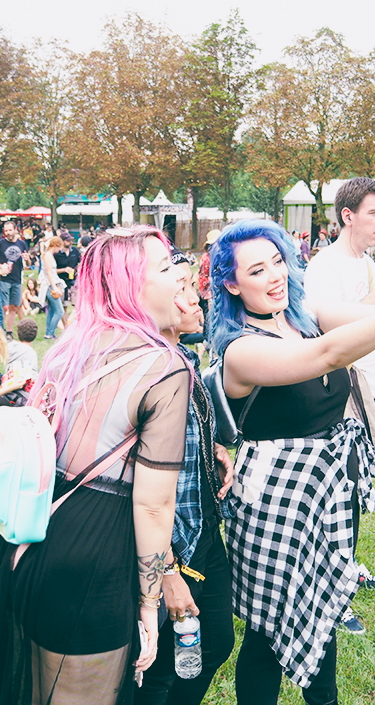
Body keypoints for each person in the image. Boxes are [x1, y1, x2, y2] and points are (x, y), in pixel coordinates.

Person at [209, 219, 375, 705]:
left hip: (334, 487)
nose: (275, 276)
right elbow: (328, 354)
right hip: (274, 500)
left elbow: (358, 321)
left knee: (328, 605)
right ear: (231, 284)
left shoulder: (303, 313)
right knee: (267, 629)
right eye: (257, 270)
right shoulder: (240, 349)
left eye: (278, 260)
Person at [0, 224, 190, 705]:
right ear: (133, 286)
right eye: (166, 268)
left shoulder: (67, 348)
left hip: (21, 540)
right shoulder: (166, 367)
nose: (181, 276)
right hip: (94, 557)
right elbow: (152, 504)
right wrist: (149, 603)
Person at [136, 250, 235, 705]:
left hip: (204, 530)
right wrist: (168, 574)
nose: (197, 301)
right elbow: (144, 490)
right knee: (158, 669)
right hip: (172, 546)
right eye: (183, 291)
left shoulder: (183, 358)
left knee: (215, 643)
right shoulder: (152, 369)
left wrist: (211, 447)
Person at [305, 178, 375, 428]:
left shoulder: (366, 261)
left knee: (370, 467)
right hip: (349, 392)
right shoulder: (325, 265)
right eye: (374, 212)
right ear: (348, 216)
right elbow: (329, 329)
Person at [0, 220, 28, 337]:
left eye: (10, 230)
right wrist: (1, 267)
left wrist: (27, 258)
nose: (8, 232)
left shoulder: (22, 244)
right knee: (4, 306)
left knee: (14, 306)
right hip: (4, 279)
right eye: (6, 230)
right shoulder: (0, 244)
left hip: (17, 279)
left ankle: (9, 332)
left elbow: (27, 262)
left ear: (15, 230)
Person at [40, 236, 67, 341]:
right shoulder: (47, 255)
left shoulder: (49, 255)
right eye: (59, 247)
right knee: (59, 311)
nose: (59, 250)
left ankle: (49, 333)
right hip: (51, 286)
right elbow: (49, 273)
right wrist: (55, 287)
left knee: (51, 311)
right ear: (55, 245)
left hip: (52, 284)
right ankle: (50, 334)